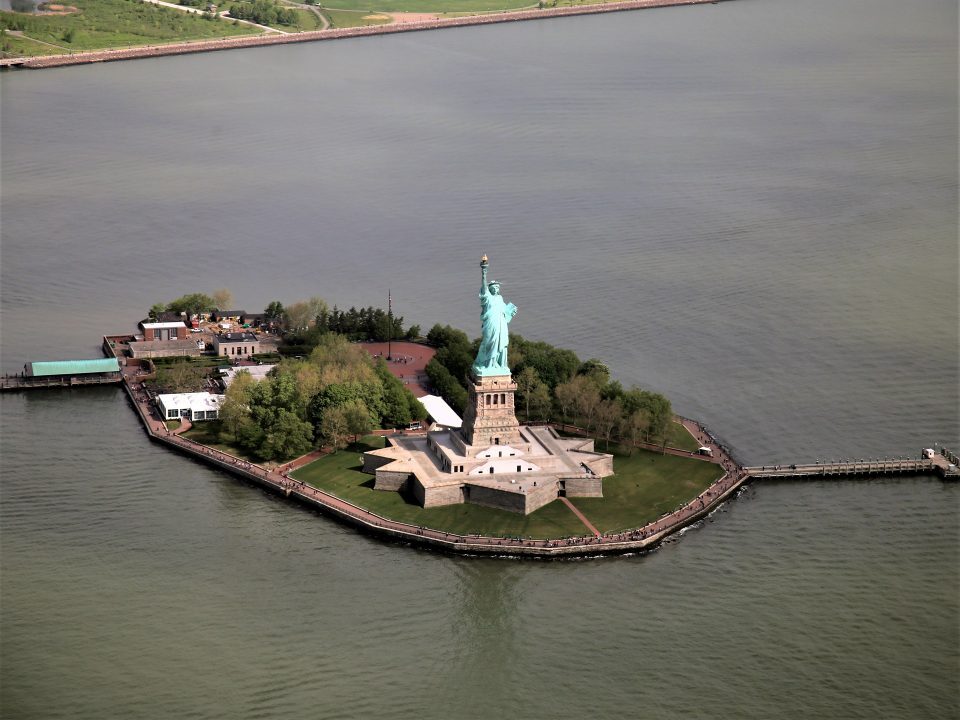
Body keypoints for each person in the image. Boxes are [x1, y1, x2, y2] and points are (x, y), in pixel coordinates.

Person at [473, 256, 517, 376]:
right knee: (490, 342)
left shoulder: (500, 298)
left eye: (498, 288)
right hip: (491, 324)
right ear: (490, 289)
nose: (496, 289)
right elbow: (483, 288)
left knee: (501, 343)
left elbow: (505, 312)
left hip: (501, 324)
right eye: (494, 288)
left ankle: (500, 365)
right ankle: (488, 365)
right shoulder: (487, 298)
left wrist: (511, 311)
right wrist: (484, 273)